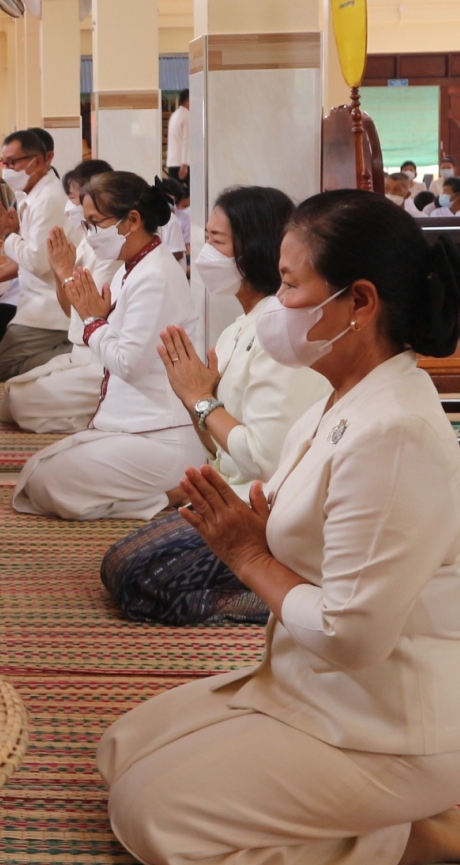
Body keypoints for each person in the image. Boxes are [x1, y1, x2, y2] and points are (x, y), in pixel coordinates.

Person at [98, 190, 460, 865]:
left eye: (290, 284)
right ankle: (364, 816)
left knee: (151, 815)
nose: (276, 303)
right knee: (122, 750)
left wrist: (250, 557)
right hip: (307, 687)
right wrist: (255, 525)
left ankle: (397, 834)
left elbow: (353, 636)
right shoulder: (338, 395)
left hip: (391, 725)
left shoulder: (396, 432)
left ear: (359, 302)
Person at [99, 186, 329, 625]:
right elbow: (215, 445)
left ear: (254, 248)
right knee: (118, 561)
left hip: (266, 508)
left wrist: (201, 399)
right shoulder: (238, 328)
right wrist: (195, 402)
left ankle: (275, 598)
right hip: (227, 493)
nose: (205, 254)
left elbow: (264, 459)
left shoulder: (278, 334)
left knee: (140, 579)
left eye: (218, 241)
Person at [11, 172, 203, 519]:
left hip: (159, 435)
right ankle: (157, 492)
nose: (89, 235)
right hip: (131, 420)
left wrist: (93, 321)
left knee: (43, 482)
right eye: (86, 225)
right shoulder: (134, 267)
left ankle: (165, 496)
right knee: (38, 467)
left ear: (132, 220)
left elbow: (128, 363)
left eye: (96, 223)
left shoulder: (155, 276)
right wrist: (95, 320)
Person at [0, 160, 118, 432]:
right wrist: (59, 269)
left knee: (20, 404)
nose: (70, 206)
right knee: (9, 398)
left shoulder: (116, 252)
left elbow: (90, 316)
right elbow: (70, 310)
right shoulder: (90, 239)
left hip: (101, 361)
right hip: (80, 349)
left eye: (74, 198)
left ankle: (104, 416)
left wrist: (63, 271)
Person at [0, 129, 76, 380]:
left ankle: (77, 353)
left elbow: (38, 262)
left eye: (13, 162)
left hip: (51, 306)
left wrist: (7, 236)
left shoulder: (48, 199)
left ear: (38, 161)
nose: (6, 169)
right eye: (3, 162)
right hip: (33, 298)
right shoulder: (32, 193)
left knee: (5, 364)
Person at [165, 98, 190, 181]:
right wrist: (184, 164)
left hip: (172, 161)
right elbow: (186, 141)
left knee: (175, 191)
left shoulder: (174, 115)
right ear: (188, 100)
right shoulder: (187, 116)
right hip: (182, 163)